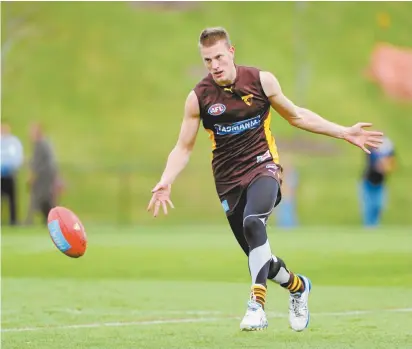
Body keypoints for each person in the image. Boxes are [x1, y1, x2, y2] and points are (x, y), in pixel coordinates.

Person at [147, 27, 384, 332]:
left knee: (253, 222)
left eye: (218, 56)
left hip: (264, 167)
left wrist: (343, 131)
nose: (214, 65)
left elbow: (297, 116)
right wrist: (166, 179)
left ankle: (256, 305)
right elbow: (184, 147)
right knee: (262, 260)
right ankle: (299, 287)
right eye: (207, 60)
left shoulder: (261, 81)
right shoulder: (199, 98)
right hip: (228, 182)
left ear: (231, 52)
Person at [25, 123, 61, 225]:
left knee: (45, 199)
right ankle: (48, 221)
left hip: (45, 177)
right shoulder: (42, 144)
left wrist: (33, 175)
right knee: (43, 199)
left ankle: (51, 220)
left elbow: (40, 163)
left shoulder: (41, 144)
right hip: (45, 176)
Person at [360, 136, 396, 227]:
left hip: (380, 183)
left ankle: (375, 226)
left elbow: (391, 165)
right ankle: (368, 227)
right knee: (369, 206)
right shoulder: (371, 152)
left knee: (379, 205)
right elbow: (374, 165)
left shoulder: (388, 152)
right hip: (368, 182)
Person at [1, 121, 24, 226]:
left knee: (12, 200)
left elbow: (18, 157)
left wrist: (12, 167)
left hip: (10, 175)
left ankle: (13, 221)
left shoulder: (14, 142)